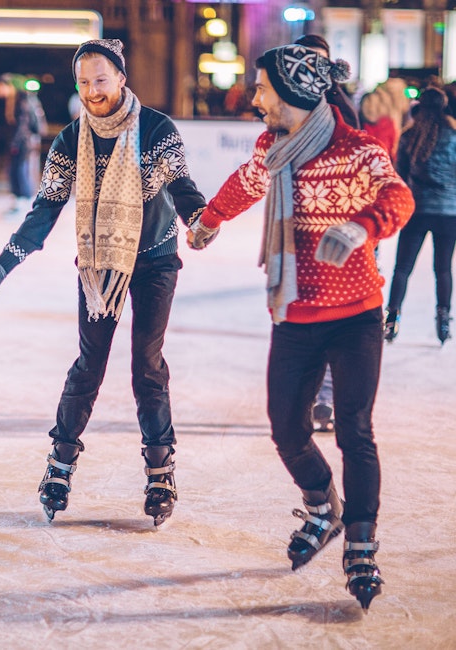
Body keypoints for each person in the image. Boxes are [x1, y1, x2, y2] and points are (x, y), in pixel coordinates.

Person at [188, 45, 414, 611]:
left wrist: (362, 227)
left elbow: (398, 196)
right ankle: (323, 507)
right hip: (295, 313)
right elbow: (244, 184)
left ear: (289, 92)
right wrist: (208, 220)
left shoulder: (357, 149)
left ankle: (361, 541)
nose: (255, 97)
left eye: (261, 87)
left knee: (354, 432)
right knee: (287, 430)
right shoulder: (273, 148)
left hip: (356, 315)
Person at [0, 39, 208, 527]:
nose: (92, 90)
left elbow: (184, 190)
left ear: (122, 78)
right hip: (99, 267)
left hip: (156, 260)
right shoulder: (70, 140)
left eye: (101, 79)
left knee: (147, 364)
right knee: (89, 363)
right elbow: (43, 212)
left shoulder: (157, 130)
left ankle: (160, 469)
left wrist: (202, 220)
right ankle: (60, 463)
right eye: (83, 82)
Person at [294, 33, 359, 432]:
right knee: (301, 318)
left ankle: (327, 398)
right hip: (299, 229)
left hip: (340, 225)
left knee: (336, 315)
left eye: (320, 61)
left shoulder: (343, 108)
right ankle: (309, 394)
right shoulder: (287, 107)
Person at [384, 86, 456, 345]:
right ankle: (443, 321)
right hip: (449, 213)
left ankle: (392, 319)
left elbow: (399, 176)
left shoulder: (409, 135)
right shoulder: (455, 134)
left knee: (402, 268)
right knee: (443, 269)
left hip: (416, 210)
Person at [0, 73, 47, 216]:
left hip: (22, 143)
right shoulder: (11, 101)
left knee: (19, 171)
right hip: (18, 142)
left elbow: (22, 125)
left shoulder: (21, 100)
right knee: (14, 171)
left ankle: (23, 202)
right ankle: (17, 201)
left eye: (0, 88)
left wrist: (15, 144)